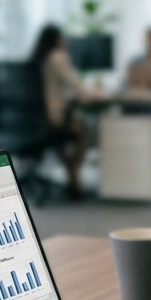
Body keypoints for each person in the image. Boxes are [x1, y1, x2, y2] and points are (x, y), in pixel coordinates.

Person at [31, 24, 97, 197]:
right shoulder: (57, 57)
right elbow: (78, 89)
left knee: (60, 139)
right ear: (57, 40)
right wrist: (92, 94)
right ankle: (73, 178)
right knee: (83, 129)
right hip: (53, 119)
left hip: (34, 121)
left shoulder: (36, 58)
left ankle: (72, 178)